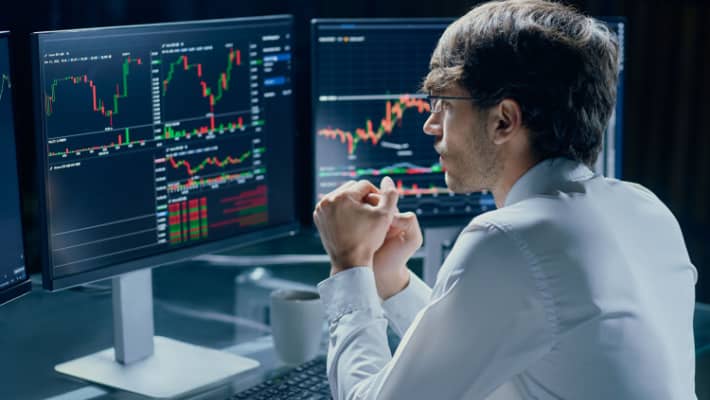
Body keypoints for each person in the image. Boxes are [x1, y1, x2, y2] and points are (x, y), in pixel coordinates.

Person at [312, 0, 697, 399]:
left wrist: (349, 263)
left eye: (444, 103)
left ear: (503, 121)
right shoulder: (646, 209)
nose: (430, 124)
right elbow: (497, 346)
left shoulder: (509, 239)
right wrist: (391, 281)